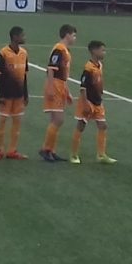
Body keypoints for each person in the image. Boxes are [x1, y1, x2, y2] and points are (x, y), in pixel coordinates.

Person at [70, 40, 116, 165]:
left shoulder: (99, 65)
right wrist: (85, 103)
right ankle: (74, 155)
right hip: (88, 102)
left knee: (103, 125)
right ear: (94, 51)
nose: (104, 53)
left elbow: (99, 81)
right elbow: (83, 87)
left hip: (97, 102)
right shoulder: (88, 68)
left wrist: (101, 91)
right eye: (102, 50)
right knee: (81, 125)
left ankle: (101, 155)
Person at [40, 24, 77, 162]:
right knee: (58, 119)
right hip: (55, 84)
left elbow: (63, 74)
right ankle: (45, 149)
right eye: (73, 35)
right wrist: (50, 87)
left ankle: (51, 150)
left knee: (55, 120)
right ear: (67, 35)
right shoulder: (59, 49)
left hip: (60, 85)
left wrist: (67, 91)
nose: (75, 38)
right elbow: (51, 68)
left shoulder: (65, 51)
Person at [0, 26, 29, 160]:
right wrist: (1, 95)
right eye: (22, 35)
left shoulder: (24, 53)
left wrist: (25, 94)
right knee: (2, 121)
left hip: (19, 95)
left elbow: (24, 75)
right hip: (6, 95)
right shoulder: (3, 53)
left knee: (17, 122)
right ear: (15, 37)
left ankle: (12, 150)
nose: (24, 38)